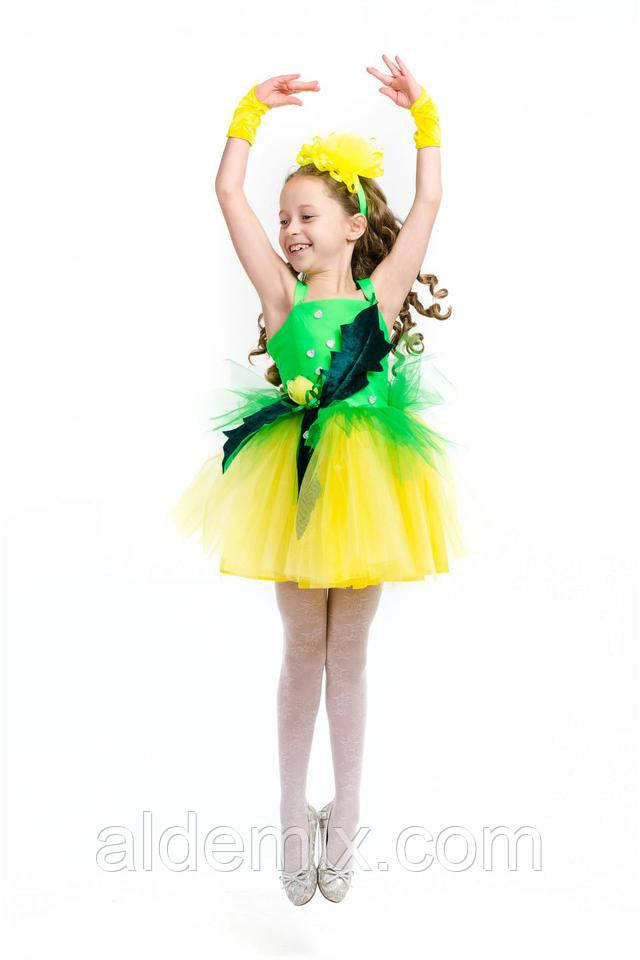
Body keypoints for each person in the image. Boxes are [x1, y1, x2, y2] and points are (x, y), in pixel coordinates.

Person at [170, 54, 464, 905]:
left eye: (306, 215)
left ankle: (349, 816)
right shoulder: (281, 297)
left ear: (352, 223)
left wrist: (425, 120)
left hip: (367, 478)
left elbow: (429, 204)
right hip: (294, 478)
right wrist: (246, 113)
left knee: (349, 653)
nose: (290, 230)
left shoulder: (380, 295)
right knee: (303, 650)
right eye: (284, 218)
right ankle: (292, 820)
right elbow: (227, 194)